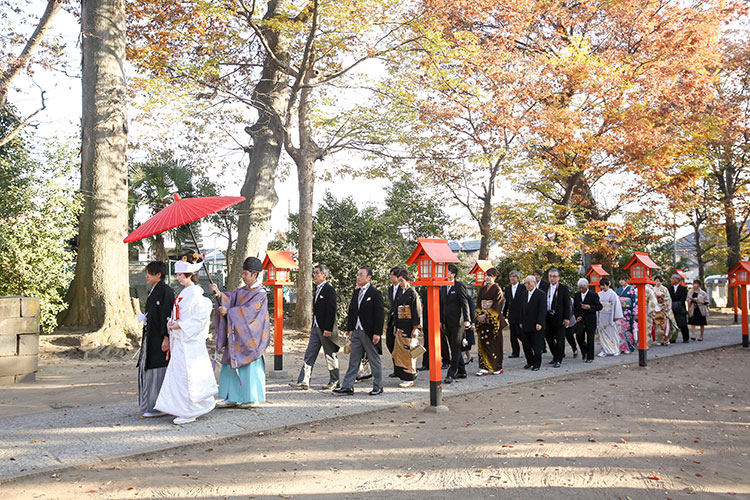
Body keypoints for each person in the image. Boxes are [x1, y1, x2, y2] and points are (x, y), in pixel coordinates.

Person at [154, 253, 217, 425]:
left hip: (190, 342)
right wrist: (173, 323)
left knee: (189, 375)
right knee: (181, 375)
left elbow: (199, 318)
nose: (178, 277)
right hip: (181, 341)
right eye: (178, 275)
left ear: (190, 275)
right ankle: (184, 407)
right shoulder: (185, 293)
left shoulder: (197, 296)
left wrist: (180, 325)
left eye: (180, 275)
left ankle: (191, 410)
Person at [210, 256, 271, 408]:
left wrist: (229, 312)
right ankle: (231, 397)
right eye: (242, 273)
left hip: (251, 338)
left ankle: (252, 398)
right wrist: (218, 293)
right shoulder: (240, 290)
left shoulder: (261, 293)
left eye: (245, 274)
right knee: (229, 363)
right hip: (236, 335)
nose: (243, 277)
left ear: (254, 275)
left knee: (249, 366)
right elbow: (229, 298)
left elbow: (250, 312)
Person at [333, 267, 385, 396]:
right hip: (356, 331)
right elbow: (353, 311)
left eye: (361, 275)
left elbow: (379, 315)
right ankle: (347, 386)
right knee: (354, 359)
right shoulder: (357, 292)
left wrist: (377, 333)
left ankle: (378, 386)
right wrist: (350, 329)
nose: (358, 277)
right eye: (357, 275)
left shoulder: (375, 293)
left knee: (374, 359)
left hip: (369, 332)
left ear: (369, 278)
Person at [289, 264, 339, 391]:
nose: (315, 275)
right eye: (314, 273)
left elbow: (331, 311)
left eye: (317, 273)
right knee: (310, 353)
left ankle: (334, 380)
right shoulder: (317, 289)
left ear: (324, 275)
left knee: (330, 355)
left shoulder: (329, 290)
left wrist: (328, 329)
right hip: (315, 328)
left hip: (325, 329)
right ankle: (303, 380)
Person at [137, 261, 175, 418]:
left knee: (158, 370)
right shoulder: (153, 290)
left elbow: (166, 314)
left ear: (158, 275)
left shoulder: (165, 291)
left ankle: (158, 406)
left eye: (149, 273)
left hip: (159, 337)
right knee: (148, 369)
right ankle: (150, 405)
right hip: (150, 335)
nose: (146, 276)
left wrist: (166, 336)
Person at [440, 263, 471, 384]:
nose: (444, 273)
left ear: (453, 274)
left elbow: (465, 303)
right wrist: (442, 320)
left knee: (456, 347)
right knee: (453, 347)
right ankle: (462, 371)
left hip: (458, 322)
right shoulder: (443, 287)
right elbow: (443, 306)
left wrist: (467, 320)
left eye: (447, 271)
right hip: (447, 322)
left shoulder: (459, 286)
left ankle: (451, 373)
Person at [392, 269, 422, 388]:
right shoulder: (401, 293)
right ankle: (403, 375)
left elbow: (416, 311)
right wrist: (395, 325)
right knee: (400, 352)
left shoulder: (413, 293)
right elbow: (395, 310)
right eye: (399, 281)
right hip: (401, 325)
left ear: (408, 280)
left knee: (409, 351)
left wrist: (416, 327)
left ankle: (410, 375)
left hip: (410, 326)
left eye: (402, 281)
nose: (400, 283)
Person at [475, 268, 504, 375]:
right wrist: (478, 315)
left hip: (492, 320)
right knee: (482, 342)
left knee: (494, 343)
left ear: (495, 277)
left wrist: (486, 316)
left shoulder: (497, 290)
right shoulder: (482, 289)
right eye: (486, 275)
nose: (487, 278)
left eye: (490, 276)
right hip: (482, 319)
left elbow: (497, 306)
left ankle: (496, 366)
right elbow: (478, 303)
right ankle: (483, 366)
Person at [545, 268, 571, 368]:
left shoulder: (563, 289)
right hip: (547, 316)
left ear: (558, 278)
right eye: (550, 276)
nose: (552, 278)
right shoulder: (545, 287)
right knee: (549, 338)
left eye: (554, 276)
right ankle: (555, 355)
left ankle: (558, 359)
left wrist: (567, 318)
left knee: (560, 339)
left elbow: (567, 304)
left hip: (559, 317)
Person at [520, 275, 547, 371]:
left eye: (529, 283)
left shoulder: (541, 294)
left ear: (534, 283)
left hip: (536, 323)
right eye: (525, 283)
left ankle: (537, 364)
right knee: (526, 344)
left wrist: (540, 322)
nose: (527, 285)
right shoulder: (523, 294)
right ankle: (529, 362)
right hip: (526, 323)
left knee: (536, 345)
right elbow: (522, 309)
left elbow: (542, 310)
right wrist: (521, 321)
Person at [573, 277, 602, 363]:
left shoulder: (593, 295)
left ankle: (590, 356)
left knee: (590, 339)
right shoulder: (577, 295)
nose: (581, 289)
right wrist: (577, 316)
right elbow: (575, 307)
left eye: (582, 287)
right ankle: (584, 351)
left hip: (590, 319)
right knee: (579, 336)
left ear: (587, 287)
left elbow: (599, 306)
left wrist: (590, 307)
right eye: (579, 287)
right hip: (581, 319)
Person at [596, 277, 625, 357]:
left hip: (610, 315)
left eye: (604, 285)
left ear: (608, 285)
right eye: (601, 286)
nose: (602, 287)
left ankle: (615, 349)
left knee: (612, 333)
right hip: (601, 315)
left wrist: (616, 316)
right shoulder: (599, 294)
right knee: (602, 333)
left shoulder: (613, 294)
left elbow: (617, 306)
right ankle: (604, 349)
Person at [385, 267, 403, 378]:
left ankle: (402, 369)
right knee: (389, 343)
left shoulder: (403, 289)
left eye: (392, 275)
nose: (390, 277)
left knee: (401, 345)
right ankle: (396, 367)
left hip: (400, 320)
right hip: (391, 319)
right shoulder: (391, 289)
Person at [503, 270, 524, 359]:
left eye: (514, 276)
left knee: (521, 333)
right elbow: (506, 302)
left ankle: (529, 347)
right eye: (510, 276)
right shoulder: (508, 289)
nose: (512, 278)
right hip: (511, 314)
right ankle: (515, 352)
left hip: (520, 314)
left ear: (518, 278)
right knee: (513, 335)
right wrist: (504, 314)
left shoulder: (523, 287)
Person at [615, 275, 637, 353]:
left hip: (628, 312)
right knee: (620, 329)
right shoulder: (619, 290)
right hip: (620, 311)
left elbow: (634, 300)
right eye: (620, 280)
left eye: (623, 280)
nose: (621, 281)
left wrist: (635, 312)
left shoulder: (631, 289)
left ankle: (629, 347)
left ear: (627, 280)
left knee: (628, 329)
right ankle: (622, 347)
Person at [652, 276, 675, 345]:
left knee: (665, 325)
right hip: (656, 308)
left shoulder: (664, 289)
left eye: (659, 281)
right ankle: (658, 340)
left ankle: (666, 339)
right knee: (657, 325)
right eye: (656, 281)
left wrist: (664, 305)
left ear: (661, 282)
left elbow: (668, 299)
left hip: (663, 309)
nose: (657, 282)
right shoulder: (653, 289)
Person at [669, 274, 690, 343]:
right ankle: (672, 338)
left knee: (682, 323)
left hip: (680, 308)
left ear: (677, 280)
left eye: (673, 278)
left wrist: (677, 304)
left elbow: (683, 299)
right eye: (671, 278)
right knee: (672, 324)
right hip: (672, 307)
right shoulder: (669, 289)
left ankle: (686, 338)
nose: (671, 280)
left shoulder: (683, 288)